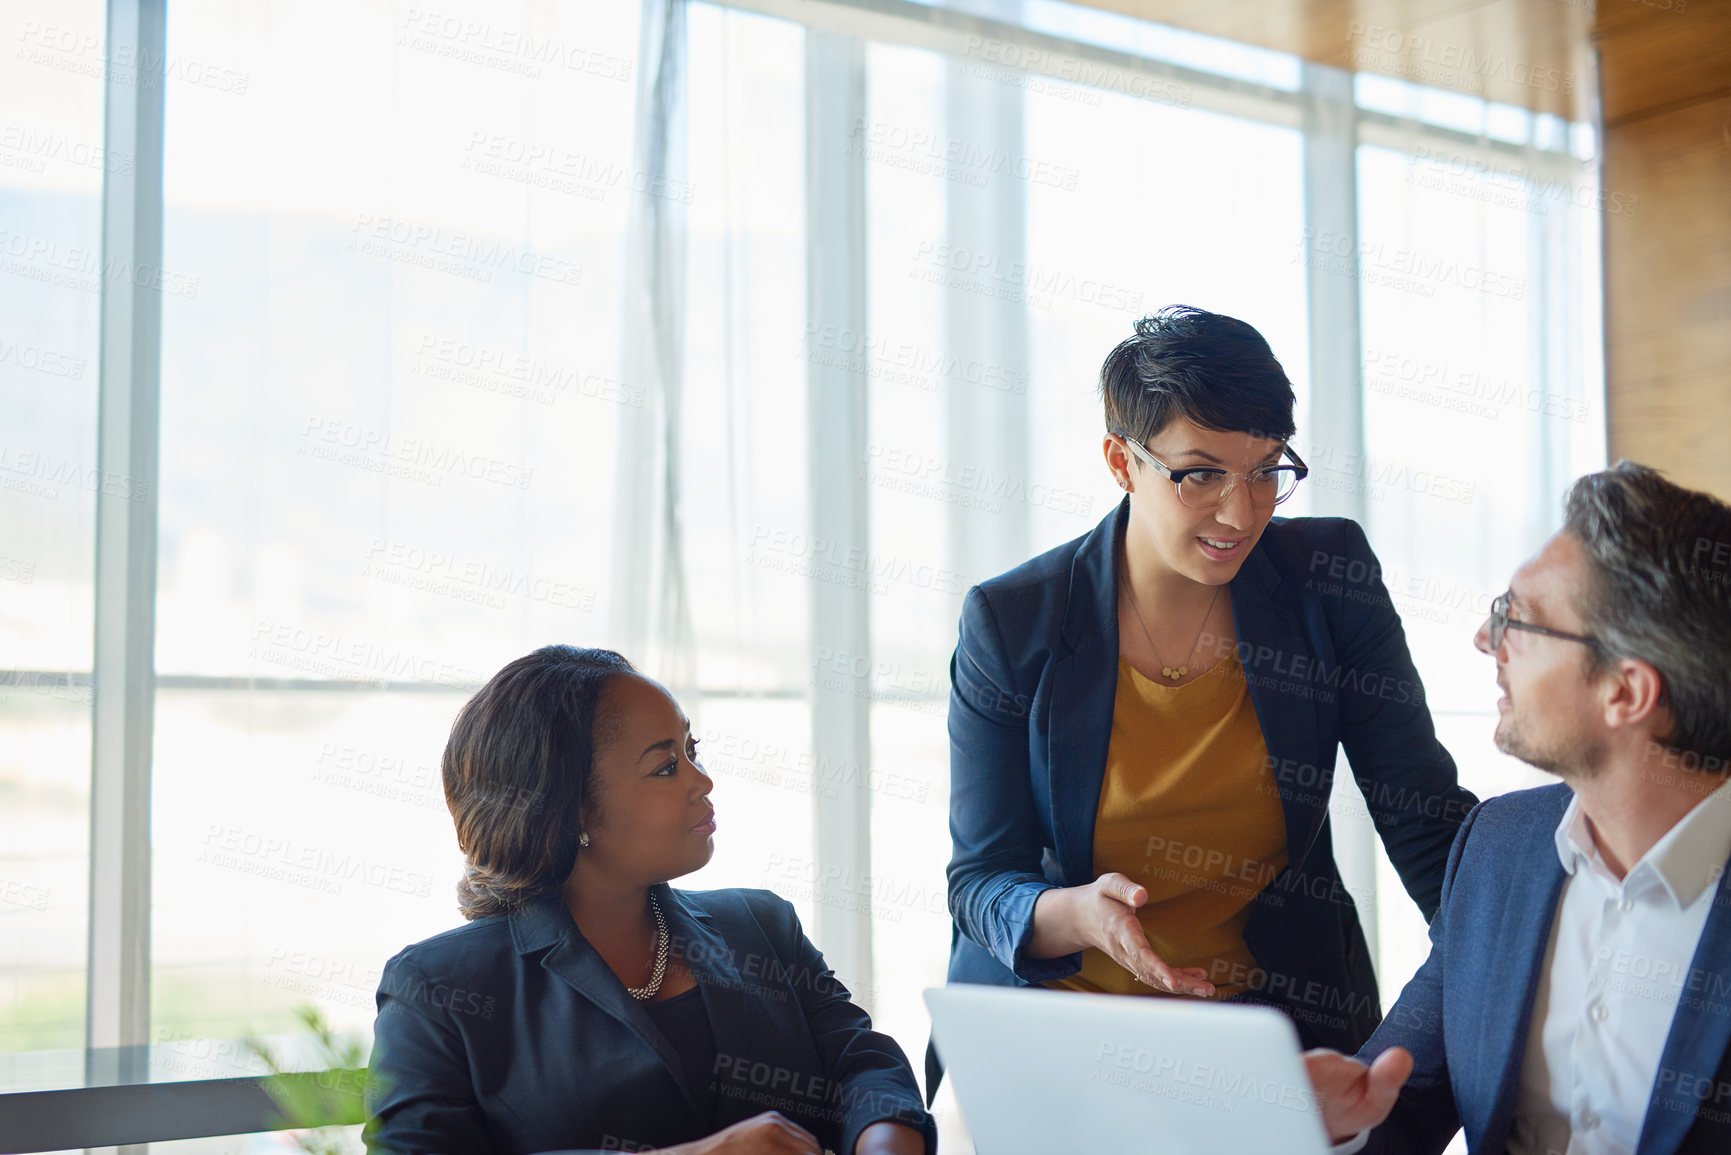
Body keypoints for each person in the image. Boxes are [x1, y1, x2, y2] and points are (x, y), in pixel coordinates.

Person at [944, 305, 1478, 1065]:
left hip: (1266, 1032)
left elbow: (1421, 817)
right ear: (1120, 461)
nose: (1241, 510)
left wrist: (1517, 975)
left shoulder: (1324, 577)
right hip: (1059, 1032)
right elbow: (980, 880)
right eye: (1199, 474)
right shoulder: (1013, 619)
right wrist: (1074, 913)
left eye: (1266, 470)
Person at [1306, 462, 1731, 1154]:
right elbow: (1396, 1100)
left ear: (1625, 692)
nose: (1485, 638)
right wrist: (1330, 1122)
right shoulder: (1496, 849)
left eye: (1517, 619)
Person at [365, 646, 934, 1155]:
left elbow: (861, 1062)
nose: (701, 781)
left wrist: (884, 1137)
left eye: (692, 750)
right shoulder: (437, 989)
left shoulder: (762, 926)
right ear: (571, 811)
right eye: (665, 766)